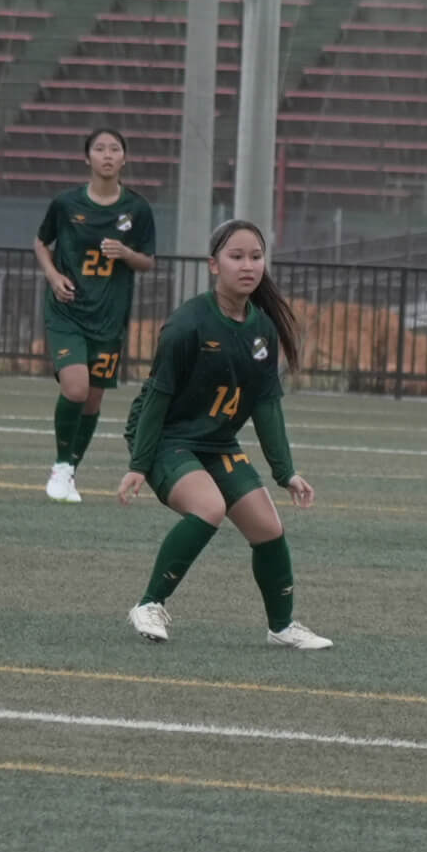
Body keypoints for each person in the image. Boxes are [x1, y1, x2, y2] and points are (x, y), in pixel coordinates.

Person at [117, 219, 331, 651]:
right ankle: (149, 604)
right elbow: (157, 398)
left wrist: (286, 472)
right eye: (236, 257)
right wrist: (140, 464)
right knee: (209, 508)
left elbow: (267, 406)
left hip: (217, 443)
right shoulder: (187, 324)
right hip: (167, 438)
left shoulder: (262, 330)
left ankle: (282, 626)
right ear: (213, 265)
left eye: (256, 256)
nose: (248, 265)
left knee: (268, 527)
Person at [33, 127, 156, 503]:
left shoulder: (137, 209)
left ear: (124, 158)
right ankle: (60, 465)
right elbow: (41, 242)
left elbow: (147, 261)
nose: (107, 155)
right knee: (76, 388)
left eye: (114, 149)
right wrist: (53, 276)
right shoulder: (66, 204)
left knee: (92, 400)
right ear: (87, 158)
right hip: (68, 310)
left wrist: (126, 254)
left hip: (109, 316)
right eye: (99, 149)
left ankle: (71, 470)